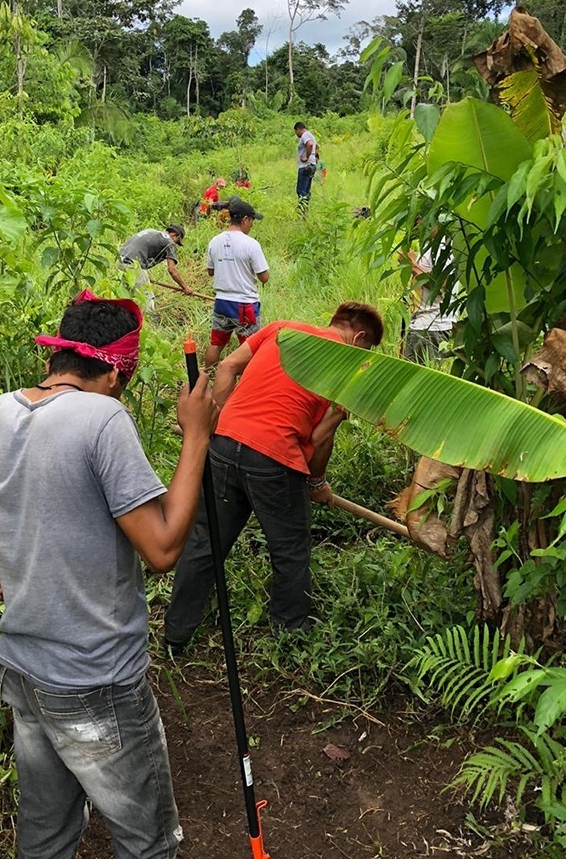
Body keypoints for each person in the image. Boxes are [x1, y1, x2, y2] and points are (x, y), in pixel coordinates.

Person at [0, 290, 214, 859]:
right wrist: (196, 434)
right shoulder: (103, 417)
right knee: (147, 842)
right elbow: (163, 547)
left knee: (45, 837)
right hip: (97, 677)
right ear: (119, 371)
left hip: (24, 668)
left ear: (55, 356)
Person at [164, 302, 385, 650]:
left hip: (223, 447)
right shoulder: (347, 369)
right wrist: (316, 483)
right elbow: (319, 438)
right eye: (367, 349)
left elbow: (228, 367)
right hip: (275, 459)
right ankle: (291, 636)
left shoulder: (282, 328)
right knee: (290, 550)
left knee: (205, 543)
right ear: (359, 338)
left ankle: (175, 637)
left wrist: (215, 428)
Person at [204, 196, 270, 369]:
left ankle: (208, 376)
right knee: (249, 348)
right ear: (245, 219)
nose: (252, 225)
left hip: (221, 302)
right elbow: (264, 277)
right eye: (252, 220)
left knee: (216, 343)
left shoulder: (214, 241)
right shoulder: (251, 244)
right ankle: (248, 383)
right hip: (244, 305)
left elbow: (210, 271)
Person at [402, 245, 460, 362]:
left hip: (432, 327)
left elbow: (441, 286)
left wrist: (411, 264)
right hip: (421, 325)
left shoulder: (443, 247)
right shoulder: (429, 245)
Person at [119, 224, 194, 312]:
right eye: (177, 241)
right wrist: (185, 287)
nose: (175, 244)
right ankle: (148, 320)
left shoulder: (150, 231)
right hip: (133, 265)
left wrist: (143, 276)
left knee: (127, 295)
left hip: (120, 261)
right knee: (146, 298)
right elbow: (172, 270)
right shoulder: (169, 242)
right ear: (174, 235)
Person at [293, 121, 318, 215]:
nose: (296, 135)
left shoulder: (305, 135)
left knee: (301, 191)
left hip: (305, 167)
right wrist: (314, 158)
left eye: (296, 132)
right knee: (306, 190)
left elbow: (310, 144)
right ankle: (305, 211)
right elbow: (316, 147)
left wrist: (306, 157)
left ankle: (302, 213)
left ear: (298, 129)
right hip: (311, 165)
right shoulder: (311, 135)